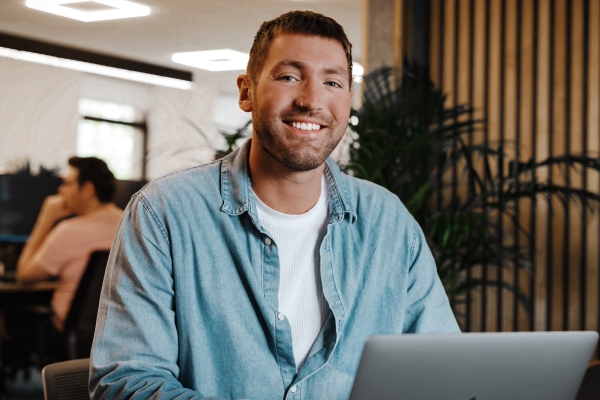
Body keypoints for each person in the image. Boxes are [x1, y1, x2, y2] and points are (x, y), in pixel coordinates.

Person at [90, 10, 460, 400]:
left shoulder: (388, 222)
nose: (312, 100)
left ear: (348, 102)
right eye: (289, 77)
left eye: (332, 82)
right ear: (246, 92)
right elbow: (127, 381)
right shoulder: (163, 213)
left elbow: (440, 369)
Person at [14, 156, 122, 332]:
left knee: (7, 317)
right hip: (115, 337)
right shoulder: (132, 225)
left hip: (70, 336)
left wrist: (45, 218)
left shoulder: (70, 230)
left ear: (87, 190)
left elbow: (24, 276)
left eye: (67, 183)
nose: (60, 189)